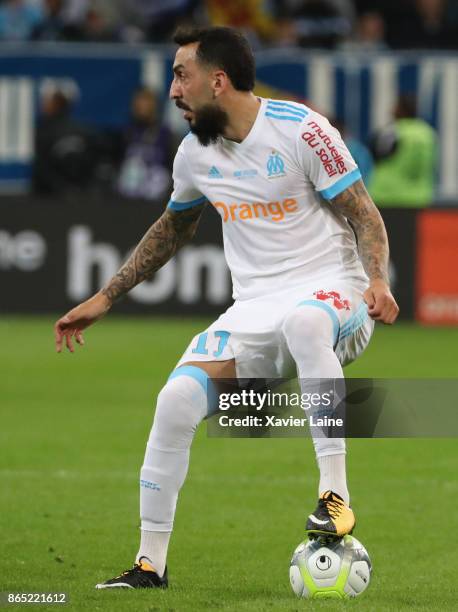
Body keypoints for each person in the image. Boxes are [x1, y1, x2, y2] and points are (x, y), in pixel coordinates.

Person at [54, 26, 399, 590]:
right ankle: (149, 565)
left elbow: (364, 214)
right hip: (252, 311)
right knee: (176, 400)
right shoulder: (193, 154)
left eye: (180, 75)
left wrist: (377, 280)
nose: (171, 90)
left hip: (334, 291)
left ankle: (335, 498)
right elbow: (174, 227)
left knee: (304, 321)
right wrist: (106, 295)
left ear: (217, 81)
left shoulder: (303, 130)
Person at [369, 94, 437, 207]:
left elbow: (376, 154)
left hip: (388, 197)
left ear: (401, 109)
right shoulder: (428, 134)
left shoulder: (393, 131)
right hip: (420, 197)